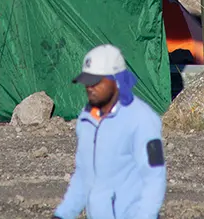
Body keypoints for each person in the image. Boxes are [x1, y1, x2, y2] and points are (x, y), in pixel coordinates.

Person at [53, 44, 166, 219]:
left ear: (117, 80)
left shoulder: (142, 119)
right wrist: (63, 214)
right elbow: (84, 174)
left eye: (96, 81)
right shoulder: (86, 118)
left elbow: (154, 177)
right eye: (87, 81)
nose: (89, 87)